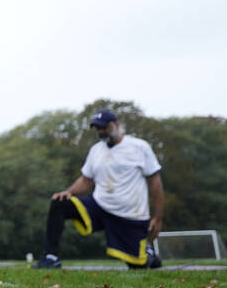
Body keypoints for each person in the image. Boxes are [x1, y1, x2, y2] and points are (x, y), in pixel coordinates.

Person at [33, 110, 164, 269]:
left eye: (105, 127)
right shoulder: (96, 150)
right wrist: (69, 192)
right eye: (98, 129)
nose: (101, 132)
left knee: (138, 266)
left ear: (116, 125)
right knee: (59, 203)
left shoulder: (139, 147)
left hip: (129, 215)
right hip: (100, 206)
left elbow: (155, 183)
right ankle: (50, 257)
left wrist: (157, 217)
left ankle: (148, 254)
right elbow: (86, 181)